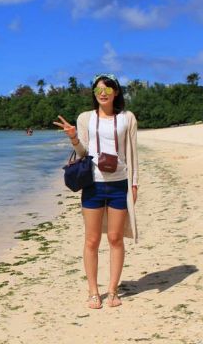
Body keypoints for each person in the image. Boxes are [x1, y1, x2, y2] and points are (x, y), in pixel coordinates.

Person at [53, 74, 139, 309]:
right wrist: (73, 138)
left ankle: (113, 290)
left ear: (116, 92)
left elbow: (133, 153)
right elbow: (83, 153)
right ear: (94, 93)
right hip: (93, 184)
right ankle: (93, 292)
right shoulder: (85, 118)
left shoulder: (127, 118)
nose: (103, 93)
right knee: (92, 240)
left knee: (115, 238)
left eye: (108, 89)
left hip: (119, 184)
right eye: (99, 89)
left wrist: (134, 184)